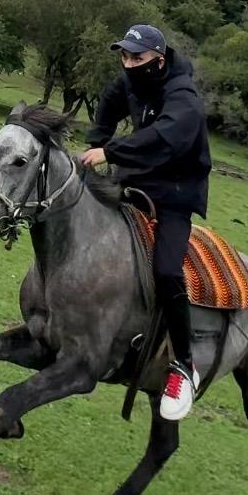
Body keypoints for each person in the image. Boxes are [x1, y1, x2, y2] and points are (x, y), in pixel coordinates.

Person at [79, 24, 212, 421]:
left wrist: (110, 150)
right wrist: (94, 140)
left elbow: (163, 138)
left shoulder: (183, 96)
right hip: (138, 177)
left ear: (159, 58)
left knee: (168, 271)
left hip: (174, 192)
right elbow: (108, 102)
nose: (128, 64)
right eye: (124, 56)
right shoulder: (130, 80)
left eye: (137, 58)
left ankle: (184, 365)